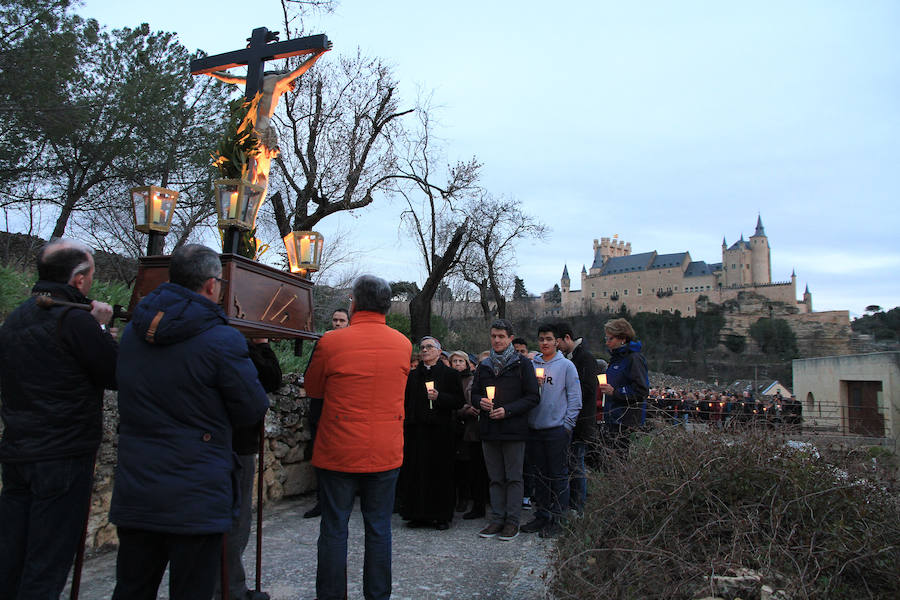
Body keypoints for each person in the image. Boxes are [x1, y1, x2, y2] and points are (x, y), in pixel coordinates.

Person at [109, 244, 270, 600]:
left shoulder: (135, 332)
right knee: (193, 588)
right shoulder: (221, 339)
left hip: (138, 483)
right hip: (197, 489)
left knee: (132, 587)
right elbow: (252, 407)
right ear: (212, 285)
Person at [0, 239, 118, 599]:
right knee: (47, 560)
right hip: (63, 454)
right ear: (79, 280)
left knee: (11, 556)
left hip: (18, 450)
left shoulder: (14, 320)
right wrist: (101, 329)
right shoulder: (75, 320)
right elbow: (115, 373)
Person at [303, 275, 411, 600]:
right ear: (387, 306)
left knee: (335, 528)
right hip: (385, 449)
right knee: (379, 529)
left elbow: (313, 388)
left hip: (338, 449)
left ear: (353, 302)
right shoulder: (403, 344)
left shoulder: (332, 342)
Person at [217, 339, 282, 600]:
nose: (424, 352)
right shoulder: (230, 345)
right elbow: (263, 391)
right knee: (234, 519)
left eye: (425, 348)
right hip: (233, 443)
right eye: (423, 348)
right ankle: (228, 589)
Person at [471, 319, 540, 541]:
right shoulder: (484, 366)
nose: (497, 340)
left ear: (510, 338)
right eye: (493, 336)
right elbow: (475, 394)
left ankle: (512, 522)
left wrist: (507, 411)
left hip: (513, 429)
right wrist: (480, 401)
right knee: (495, 478)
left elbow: (532, 397)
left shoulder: (523, 365)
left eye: (501, 336)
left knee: (513, 477)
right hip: (489, 429)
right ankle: (497, 519)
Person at [208, 43, 331, 151]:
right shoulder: (278, 82)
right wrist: (317, 55)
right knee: (259, 158)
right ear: (287, 83)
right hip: (261, 121)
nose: (282, 93)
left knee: (246, 153)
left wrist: (211, 72)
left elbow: (231, 78)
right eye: (287, 90)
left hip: (246, 122)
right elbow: (298, 71)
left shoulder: (255, 79)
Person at [520, 324, 581, 538]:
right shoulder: (531, 363)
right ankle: (542, 514)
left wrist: (567, 425)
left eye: (548, 339)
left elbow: (575, 398)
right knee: (539, 475)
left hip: (556, 429)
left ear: (557, 341)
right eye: (541, 339)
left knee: (558, 475)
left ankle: (558, 517)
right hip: (534, 427)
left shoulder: (566, 366)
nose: (544, 343)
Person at [398, 337, 464, 529]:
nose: (425, 350)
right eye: (422, 347)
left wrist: (440, 397)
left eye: (429, 347)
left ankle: (441, 515)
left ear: (439, 351)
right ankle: (417, 513)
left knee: (440, 473)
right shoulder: (413, 376)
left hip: (440, 432)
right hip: (416, 430)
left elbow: (458, 401)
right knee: (416, 472)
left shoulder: (450, 374)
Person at [303, 307, 351, 520]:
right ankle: (322, 500)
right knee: (319, 455)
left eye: (342, 320)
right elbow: (311, 373)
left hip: (341, 410)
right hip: (321, 407)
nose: (337, 323)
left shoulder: (352, 346)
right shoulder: (323, 344)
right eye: (335, 320)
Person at [554, 321, 599, 515]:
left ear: (566, 338)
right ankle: (572, 502)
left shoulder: (585, 358)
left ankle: (578, 506)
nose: (556, 347)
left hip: (580, 421)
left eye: (557, 341)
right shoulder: (569, 357)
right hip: (570, 419)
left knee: (576, 464)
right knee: (570, 463)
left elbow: (588, 389)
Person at [597, 318, 648, 456]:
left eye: (610, 338)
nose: (607, 343)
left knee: (620, 459)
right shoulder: (616, 359)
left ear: (623, 339)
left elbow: (641, 390)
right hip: (613, 418)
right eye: (606, 338)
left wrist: (615, 392)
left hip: (625, 422)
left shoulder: (634, 359)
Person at [449, 350, 488, 519]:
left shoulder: (473, 380)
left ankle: (475, 500)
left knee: (473, 467)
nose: (457, 364)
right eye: (454, 361)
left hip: (472, 428)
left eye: (460, 361)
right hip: (455, 426)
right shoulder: (449, 379)